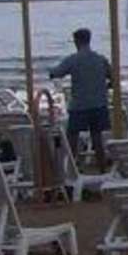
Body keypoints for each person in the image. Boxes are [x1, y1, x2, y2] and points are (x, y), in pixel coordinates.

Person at [49, 27, 114, 173]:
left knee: (72, 136)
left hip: (79, 105)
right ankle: (102, 168)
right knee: (97, 137)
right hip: (98, 104)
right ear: (89, 40)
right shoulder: (100, 59)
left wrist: (50, 71)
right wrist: (105, 87)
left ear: (76, 41)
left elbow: (55, 73)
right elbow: (113, 78)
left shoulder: (73, 59)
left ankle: (71, 168)